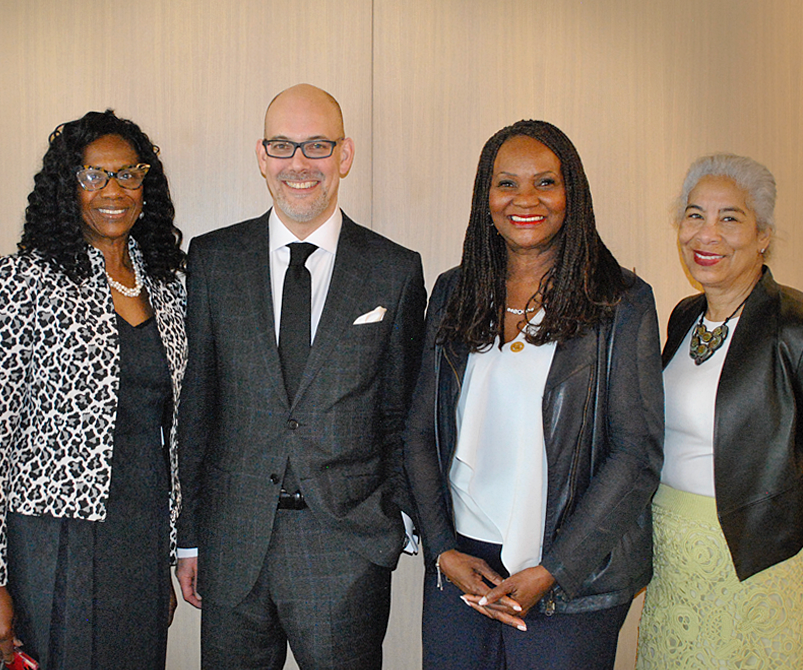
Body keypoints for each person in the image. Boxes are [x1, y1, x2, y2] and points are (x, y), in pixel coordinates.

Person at [176, 83, 426, 669]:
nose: (299, 164)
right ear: (262, 157)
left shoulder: (394, 269)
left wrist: (396, 520)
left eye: (317, 145)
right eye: (282, 146)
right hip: (233, 543)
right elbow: (198, 407)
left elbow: (401, 413)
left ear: (345, 155)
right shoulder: (213, 259)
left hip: (346, 549)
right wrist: (189, 535)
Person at [403, 120, 664, 669]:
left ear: (573, 194)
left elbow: (635, 454)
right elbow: (420, 431)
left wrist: (555, 571)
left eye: (545, 183)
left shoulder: (620, 302)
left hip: (571, 570)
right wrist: (442, 550)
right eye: (507, 184)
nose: (525, 200)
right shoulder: (454, 291)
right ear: (486, 197)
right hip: (462, 565)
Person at [0, 110, 186, 670]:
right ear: (68, 187)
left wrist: (178, 543)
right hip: (52, 537)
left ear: (145, 183)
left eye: (128, 174)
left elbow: (184, 427)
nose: (113, 191)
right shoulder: (24, 280)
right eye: (92, 176)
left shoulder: (171, 286)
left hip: (142, 529)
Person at [636, 154, 803, 668]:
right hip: (670, 558)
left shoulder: (793, 325)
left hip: (753, 559)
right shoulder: (685, 315)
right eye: (694, 215)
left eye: (729, 218)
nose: (706, 234)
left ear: (763, 235)